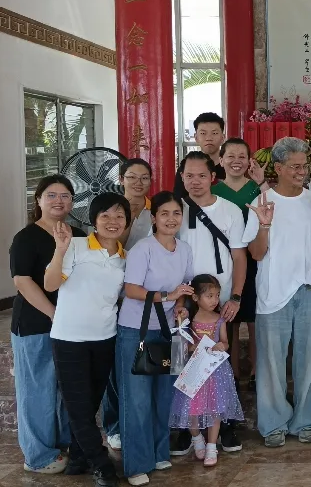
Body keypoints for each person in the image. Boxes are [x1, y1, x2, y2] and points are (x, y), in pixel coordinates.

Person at [239, 137, 311, 448]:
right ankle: (273, 422)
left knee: (309, 361)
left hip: (309, 290)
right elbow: (255, 253)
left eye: (304, 166)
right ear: (277, 168)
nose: (301, 172)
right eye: (294, 166)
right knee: (271, 362)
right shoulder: (262, 201)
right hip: (273, 291)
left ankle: (305, 421)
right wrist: (264, 225)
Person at [43, 192, 130, 487]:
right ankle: (102, 465)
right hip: (69, 339)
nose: (112, 221)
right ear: (94, 219)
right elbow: (50, 283)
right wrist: (59, 249)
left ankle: (79, 457)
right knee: (79, 407)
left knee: (90, 404)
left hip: (104, 338)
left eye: (119, 216)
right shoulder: (76, 246)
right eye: (105, 215)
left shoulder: (123, 258)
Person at [116, 191, 195, 486]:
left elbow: (184, 288)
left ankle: (159, 452)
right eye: (165, 214)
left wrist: (180, 307)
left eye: (176, 213)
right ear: (154, 218)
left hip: (170, 331)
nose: (171, 219)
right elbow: (131, 289)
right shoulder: (142, 249)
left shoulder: (184, 249)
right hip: (137, 330)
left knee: (165, 395)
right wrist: (167, 296)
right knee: (136, 400)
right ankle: (137, 464)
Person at [174, 151, 248, 455]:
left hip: (220, 300)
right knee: (185, 362)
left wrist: (236, 296)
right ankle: (185, 428)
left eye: (201, 175)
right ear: (181, 178)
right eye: (189, 176)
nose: (195, 181)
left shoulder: (230, 210)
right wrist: (179, 300)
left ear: (212, 178)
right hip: (186, 299)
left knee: (220, 362)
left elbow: (239, 256)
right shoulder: (175, 210)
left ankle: (225, 425)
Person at [10, 176, 83, 474]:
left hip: (72, 324)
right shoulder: (26, 237)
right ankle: (38, 456)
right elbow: (23, 282)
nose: (58, 201)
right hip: (35, 323)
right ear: (38, 200)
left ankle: (64, 444)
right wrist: (54, 314)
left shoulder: (78, 235)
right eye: (51, 195)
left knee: (66, 388)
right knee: (36, 389)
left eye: (65, 195)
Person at [104, 158, 156, 453]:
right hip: (113, 297)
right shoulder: (110, 209)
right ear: (122, 179)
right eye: (132, 177)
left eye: (144, 178)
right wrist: (127, 220)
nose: (138, 183)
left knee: (144, 364)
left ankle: (145, 424)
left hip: (144, 299)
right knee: (115, 368)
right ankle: (114, 426)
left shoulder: (156, 210)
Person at [169, 274, 246, 468]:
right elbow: (183, 345)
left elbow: (226, 343)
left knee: (215, 409)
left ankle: (212, 445)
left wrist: (221, 345)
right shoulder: (190, 319)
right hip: (195, 371)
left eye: (217, 295)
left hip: (215, 372)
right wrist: (192, 346)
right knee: (192, 409)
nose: (215, 300)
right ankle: (197, 440)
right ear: (196, 298)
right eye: (209, 296)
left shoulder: (219, 320)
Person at [211, 138, 268, 392]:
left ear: (249, 161)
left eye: (242, 156)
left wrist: (262, 182)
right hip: (226, 262)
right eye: (230, 156)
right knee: (228, 319)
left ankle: (257, 370)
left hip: (256, 259)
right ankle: (232, 371)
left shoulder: (257, 189)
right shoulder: (213, 191)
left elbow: (272, 211)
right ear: (220, 160)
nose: (236, 161)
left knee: (255, 318)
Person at [173, 112, 228, 199]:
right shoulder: (187, 168)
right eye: (203, 133)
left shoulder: (230, 167)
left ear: (223, 138)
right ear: (196, 137)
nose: (209, 138)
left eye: (214, 133)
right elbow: (179, 199)